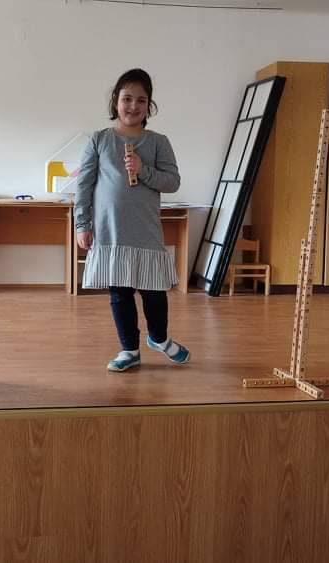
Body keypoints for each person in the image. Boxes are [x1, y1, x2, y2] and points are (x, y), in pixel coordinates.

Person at [74, 68, 190, 372]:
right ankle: (129, 350)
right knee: (120, 294)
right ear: (116, 101)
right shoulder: (99, 140)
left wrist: (143, 169)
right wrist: (82, 224)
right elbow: (84, 186)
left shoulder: (158, 142)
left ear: (149, 106)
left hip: (146, 231)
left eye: (141, 100)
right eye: (127, 98)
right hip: (110, 232)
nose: (133, 106)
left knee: (154, 292)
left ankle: (159, 338)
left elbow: (172, 181)